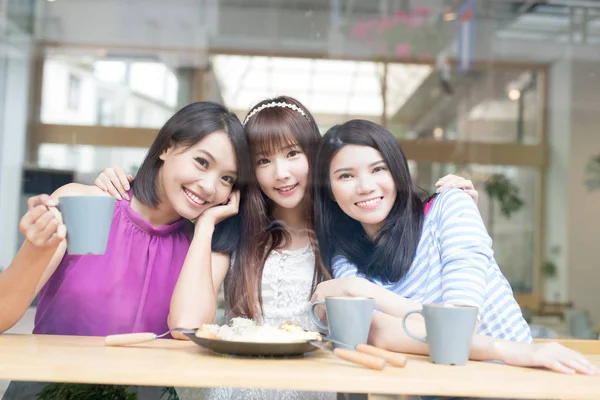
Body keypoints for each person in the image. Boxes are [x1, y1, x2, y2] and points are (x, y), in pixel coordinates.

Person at [97, 97, 479, 400]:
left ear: (315, 155)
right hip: (237, 391)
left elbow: (399, 226)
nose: (280, 173)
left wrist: (446, 200)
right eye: (263, 160)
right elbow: (185, 325)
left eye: (292, 153)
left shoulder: (345, 223)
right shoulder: (236, 229)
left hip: (324, 388)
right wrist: (206, 226)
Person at [310, 119, 599, 376]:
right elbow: (381, 334)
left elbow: (461, 326)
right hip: (442, 390)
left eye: (378, 169)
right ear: (331, 193)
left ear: (397, 173)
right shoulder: (346, 259)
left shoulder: (451, 207)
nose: (365, 186)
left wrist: (364, 291)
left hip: (514, 381)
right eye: (345, 176)